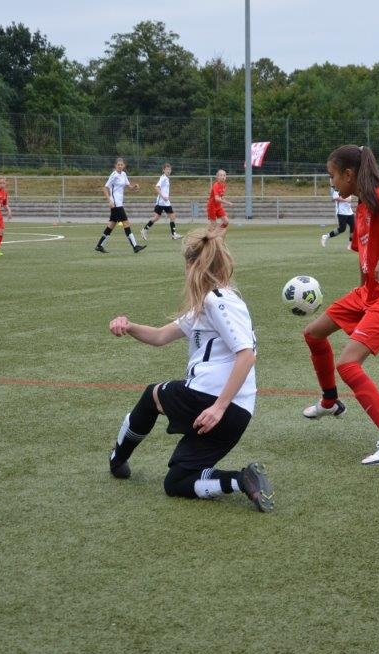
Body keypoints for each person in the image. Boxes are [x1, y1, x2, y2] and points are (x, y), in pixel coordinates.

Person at [106, 228, 273, 512]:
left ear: (192, 265)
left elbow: (246, 356)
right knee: (177, 481)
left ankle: (117, 459)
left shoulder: (216, 300)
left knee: (152, 395)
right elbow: (161, 336)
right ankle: (242, 480)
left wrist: (218, 407)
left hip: (211, 400)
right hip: (239, 414)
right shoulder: (210, 303)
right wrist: (129, 326)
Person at [301, 144, 379, 466]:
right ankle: (330, 401)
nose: (332, 183)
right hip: (369, 292)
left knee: (348, 365)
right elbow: (364, 259)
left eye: (333, 176)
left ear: (349, 175)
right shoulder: (361, 207)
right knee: (313, 334)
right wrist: (363, 293)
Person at [94, 157, 145, 254]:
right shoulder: (114, 175)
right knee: (126, 223)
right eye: (118, 165)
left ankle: (99, 245)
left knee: (111, 225)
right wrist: (109, 201)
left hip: (119, 203)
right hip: (116, 204)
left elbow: (129, 187)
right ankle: (135, 246)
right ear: (115, 165)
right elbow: (104, 188)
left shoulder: (124, 174)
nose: (120, 166)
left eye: (121, 165)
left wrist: (134, 187)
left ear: (124, 165)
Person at [140, 162, 180, 241]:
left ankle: (174, 234)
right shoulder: (163, 178)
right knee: (156, 218)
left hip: (166, 202)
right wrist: (163, 197)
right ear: (163, 170)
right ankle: (144, 230)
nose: (168, 171)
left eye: (169, 169)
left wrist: (166, 198)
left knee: (172, 216)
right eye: (167, 169)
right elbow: (156, 187)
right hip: (161, 202)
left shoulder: (166, 178)